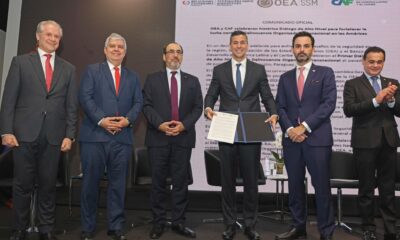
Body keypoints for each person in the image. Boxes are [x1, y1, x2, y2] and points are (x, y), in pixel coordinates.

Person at [0, 20, 78, 240]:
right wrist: (6, 130)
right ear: (38, 36)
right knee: (21, 185)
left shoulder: (69, 69)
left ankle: (46, 229)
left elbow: (72, 107)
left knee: (47, 186)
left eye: (57, 37)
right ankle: (18, 229)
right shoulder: (20, 63)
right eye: (49, 35)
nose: (53, 39)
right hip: (23, 135)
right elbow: (8, 101)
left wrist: (69, 134)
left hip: (54, 137)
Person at [204, 30, 278, 240]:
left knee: (250, 180)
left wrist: (273, 113)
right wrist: (207, 108)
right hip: (226, 128)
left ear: (247, 45)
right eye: (235, 43)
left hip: (251, 129)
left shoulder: (258, 69)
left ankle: (249, 224)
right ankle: (229, 224)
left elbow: (267, 96)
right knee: (227, 180)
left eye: (242, 43)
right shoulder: (219, 70)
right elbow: (211, 94)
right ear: (230, 46)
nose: (238, 46)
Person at [78, 33, 143, 240]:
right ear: (105, 50)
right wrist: (102, 120)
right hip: (94, 137)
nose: (116, 50)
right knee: (90, 184)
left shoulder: (133, 76)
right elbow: (85, 97)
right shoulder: (92, 71)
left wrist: (127, 120)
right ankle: (88, 227)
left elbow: (138, 103)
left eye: (120, 47)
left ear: (125, 52)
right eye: (112, 46)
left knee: (118, 185)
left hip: (121, 138)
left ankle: (115, 226)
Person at [275, 31, 336, 240]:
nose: (302, 49)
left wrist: (305, 127)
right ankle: (297, 226)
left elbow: (328, 105)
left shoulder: (326, 73)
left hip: (317, 140)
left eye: (306, 46)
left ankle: (326, 231)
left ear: (313, 49)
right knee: (294, 186)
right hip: (292, 141)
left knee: (321, 188)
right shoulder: (284, 78)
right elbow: (280, 107)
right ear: (293, 49)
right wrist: (291, 129)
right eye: (298, 46)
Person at [142, 42, 203, 239]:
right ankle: (158, 223)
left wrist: (183, 125)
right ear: (164, 56)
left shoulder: (192, 81)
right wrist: (160, 124)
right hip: (158, 137)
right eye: (171, 52)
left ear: (182, 57)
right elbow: (147, 106)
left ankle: (178, 222)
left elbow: (197, 108)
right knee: (158, 183)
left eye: (178, 52)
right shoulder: (152, 79)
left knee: (180, 183)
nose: (175, 55)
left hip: (183, 138)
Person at [343, 46, 399, 240]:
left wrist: (391, 101)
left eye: (379, 61)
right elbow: (349, 109)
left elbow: (399, 110)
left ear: (383, 62)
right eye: (372, 61)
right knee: (366, 188)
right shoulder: (352, 84)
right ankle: (368, 228)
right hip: (364, 143)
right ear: (363, 61)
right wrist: (376, 100)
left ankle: (391, 229)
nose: (375, 65)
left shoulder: (393, 83)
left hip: (388, 142)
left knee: (388, 189)